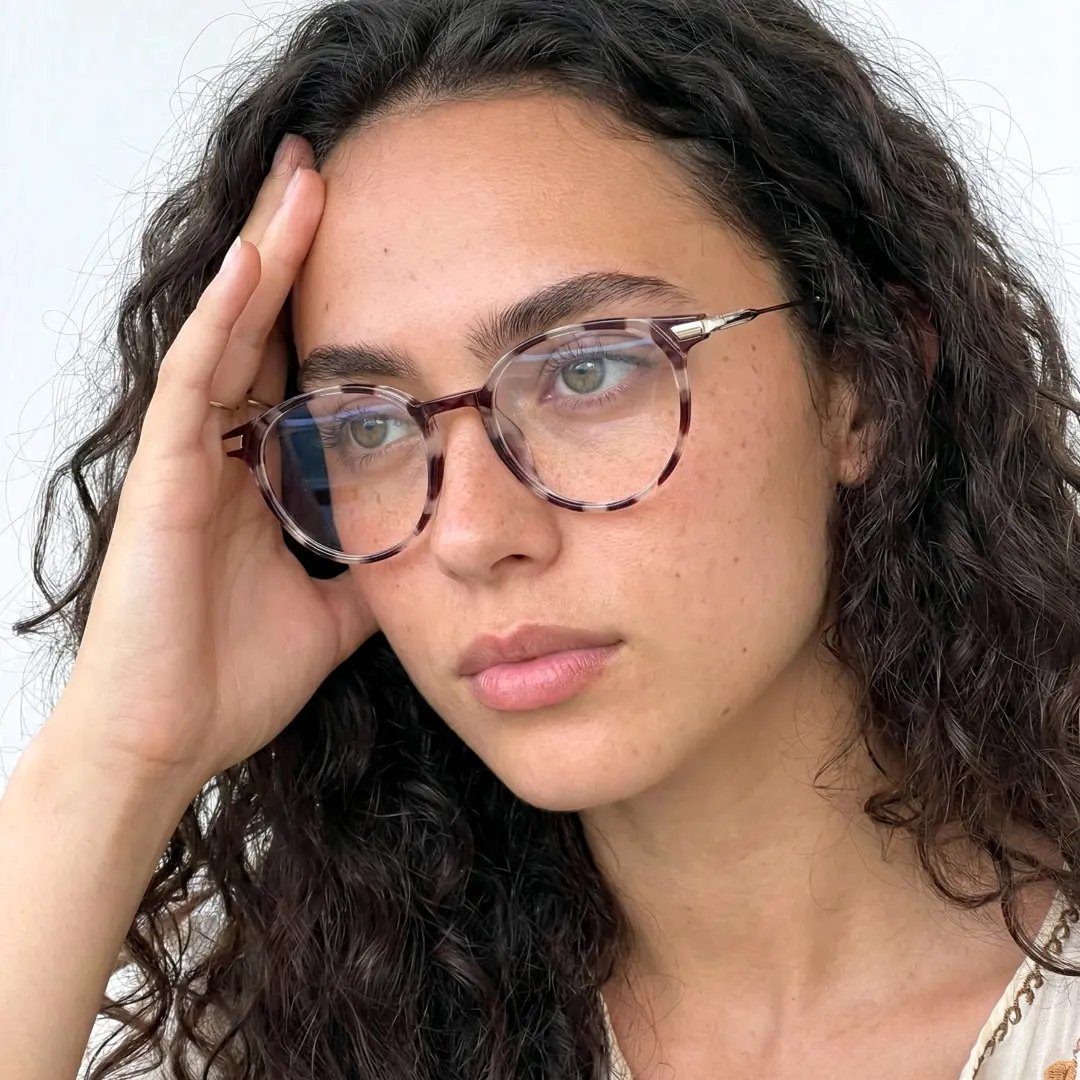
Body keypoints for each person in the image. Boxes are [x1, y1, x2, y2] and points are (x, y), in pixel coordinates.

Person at [2, 0, 1079, 1077]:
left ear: (865, 386)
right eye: (369, 424)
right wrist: (115, 758)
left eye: (587, 368)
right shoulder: (279, 1029)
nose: (471, 532)